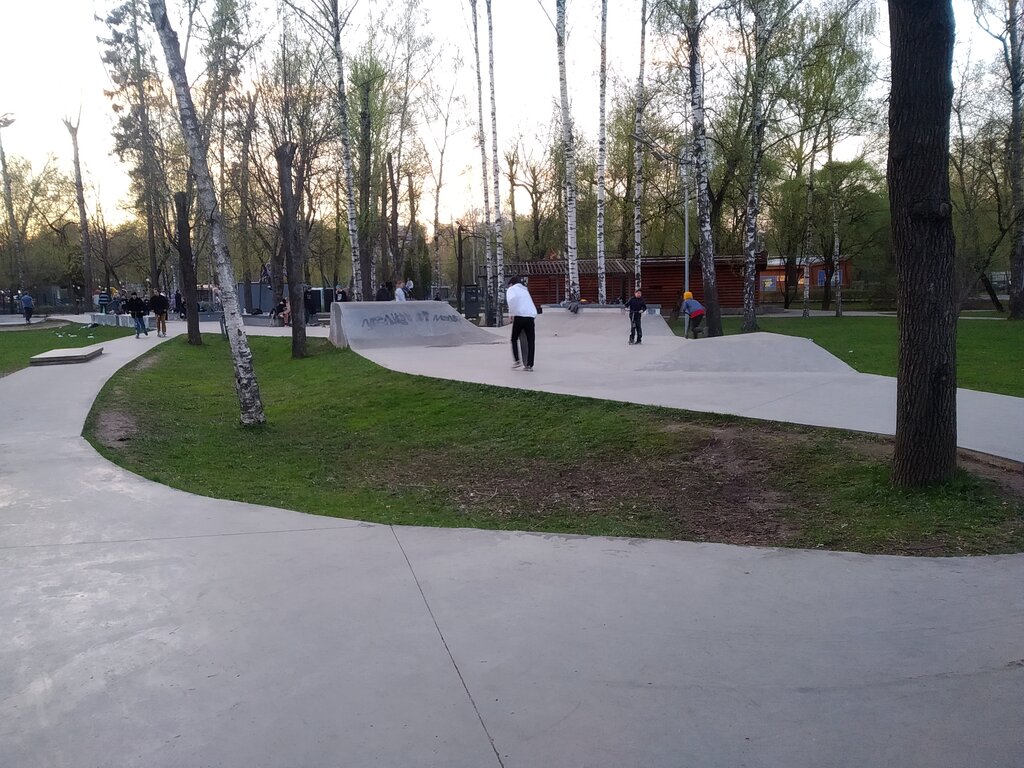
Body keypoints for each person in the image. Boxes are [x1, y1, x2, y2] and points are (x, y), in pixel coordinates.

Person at [505, 276, 537, 371]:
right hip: (530, 316)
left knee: (514, 338)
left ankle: (517, 360)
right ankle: (529, 365)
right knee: (530, 341)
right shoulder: (525, 290)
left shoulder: (511, 289)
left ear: (511, 284)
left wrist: (511, 313)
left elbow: (511, 300)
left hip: (519, 316)